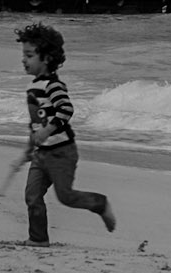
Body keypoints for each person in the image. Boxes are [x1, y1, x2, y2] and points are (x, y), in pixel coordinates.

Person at [15, 21, 116, 246]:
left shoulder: (53, 86)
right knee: (32, 195)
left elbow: (66, 110)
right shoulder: (34, 88)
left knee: (66, 197)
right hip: (41, 154)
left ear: (47, 58)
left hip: (62, 152)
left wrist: (49, 129)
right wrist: (27, 150)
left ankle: (100, 204)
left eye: (30, 55)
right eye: (24, 54)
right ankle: (38, 239)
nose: (24, 59)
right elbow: (35, 125)